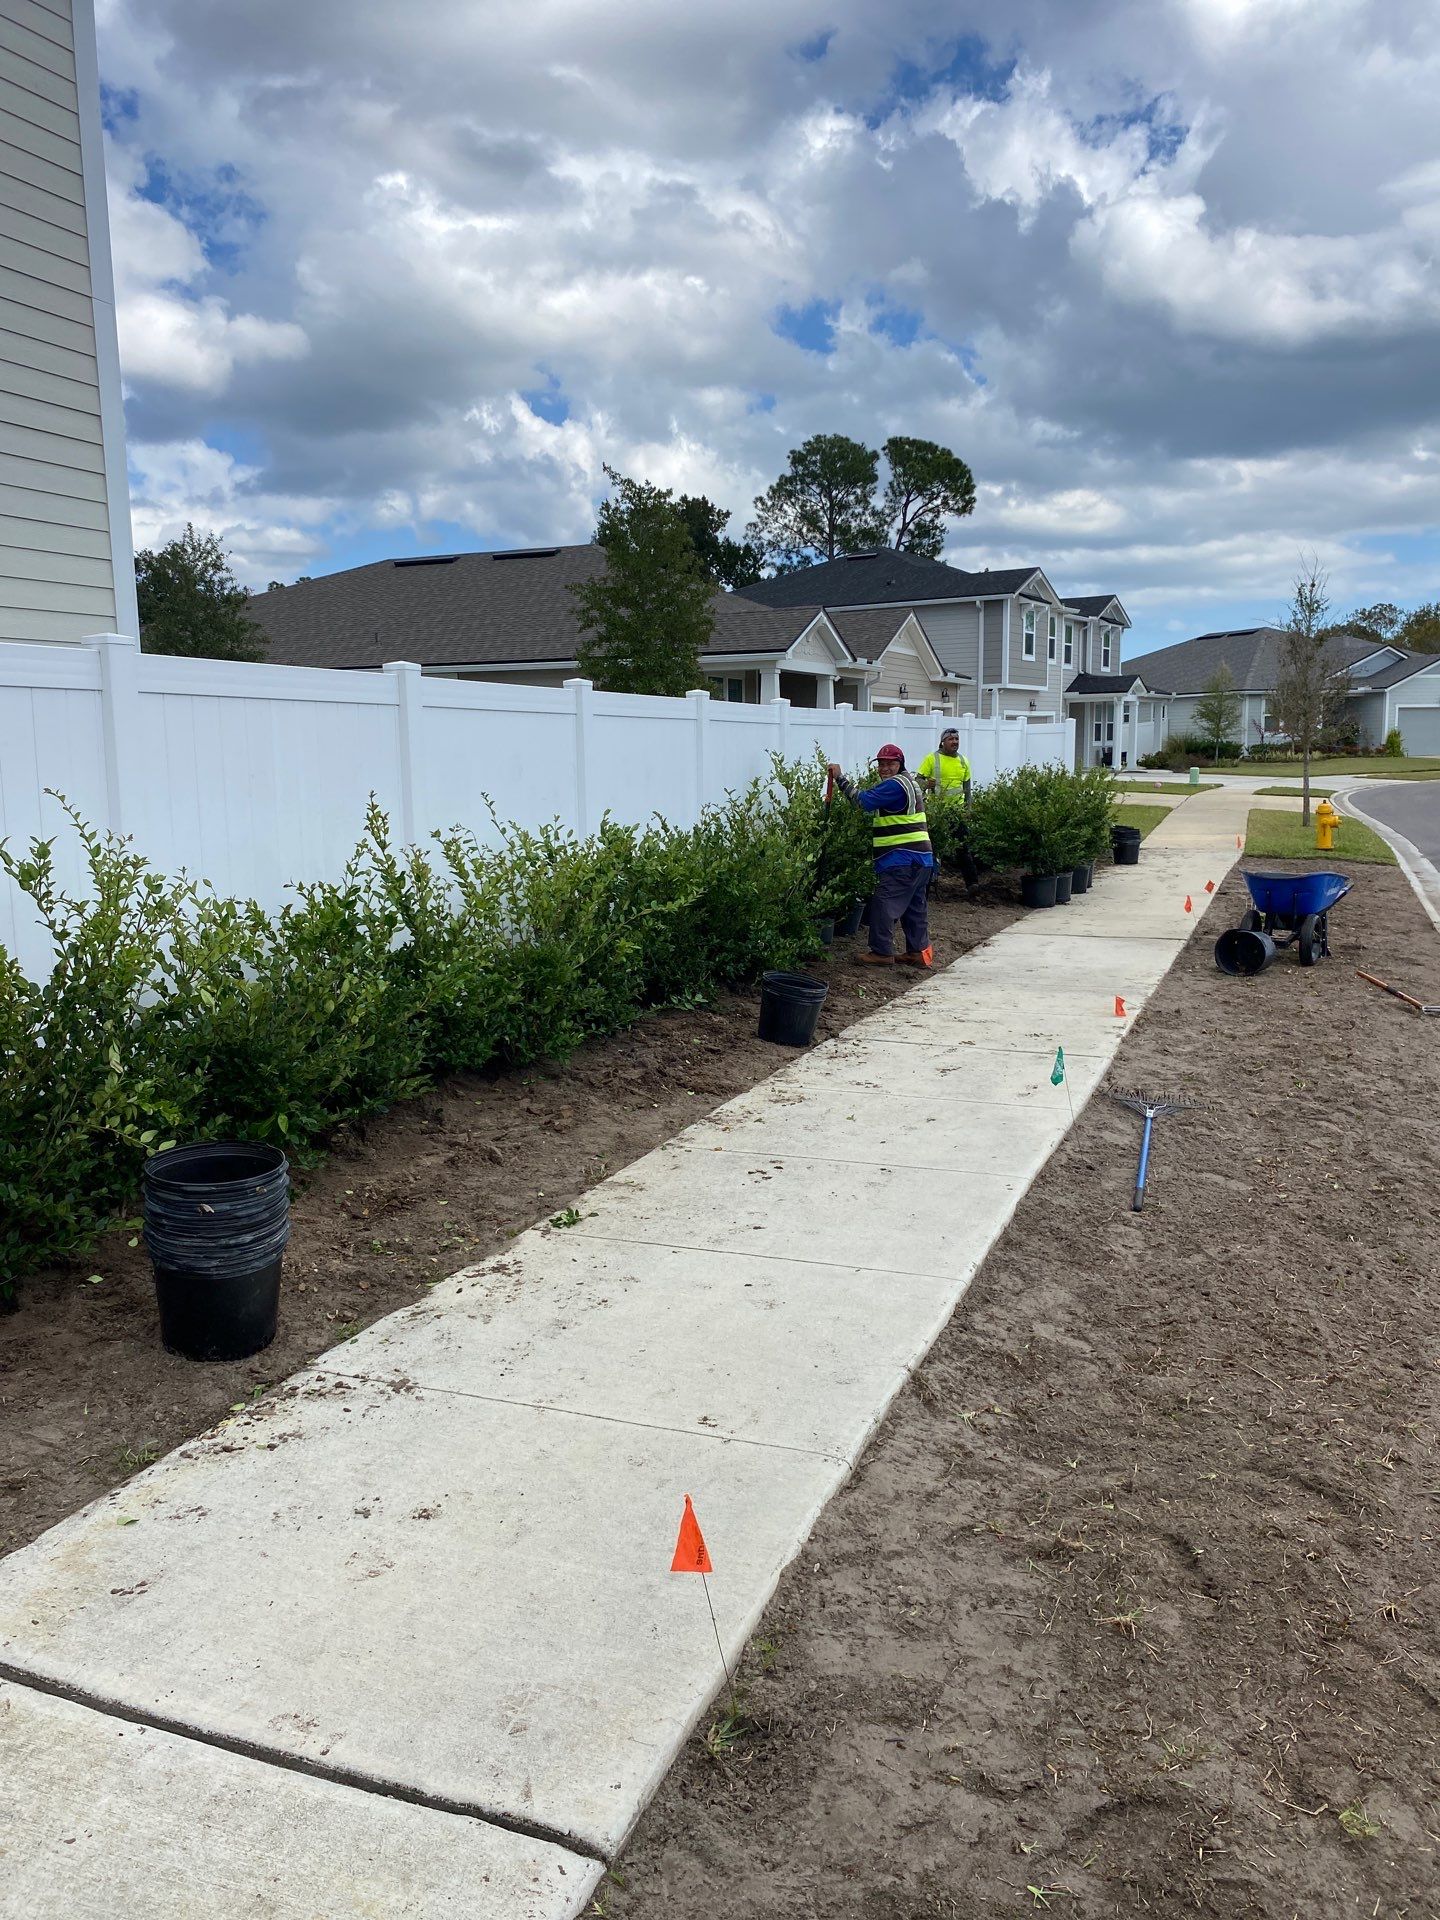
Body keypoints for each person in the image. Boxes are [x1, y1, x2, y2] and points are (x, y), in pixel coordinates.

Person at [826, 745, 934, 967]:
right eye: (881, 764)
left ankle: (881, 952)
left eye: (890, 764)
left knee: (883, 903)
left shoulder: (895, 786)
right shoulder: (909, 782)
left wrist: (840, 778)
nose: (884, 768)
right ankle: (918, 952)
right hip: (921, 859)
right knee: (915, 907)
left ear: (900, 764)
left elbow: (863, 801)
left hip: (901, 859)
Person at [916, 726, 981, 894]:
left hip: (957, 813)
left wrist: (968, 809)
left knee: (962, 848)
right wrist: (925, 784)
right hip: (937, 813)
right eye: (951, 739)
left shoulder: (963, 761)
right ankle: (927, 884)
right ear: (943, 742)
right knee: (931, 848)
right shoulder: (931, 759)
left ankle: (972, 884)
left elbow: (967, 789)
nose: (955, 742)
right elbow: (917, 782)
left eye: (957, 739)